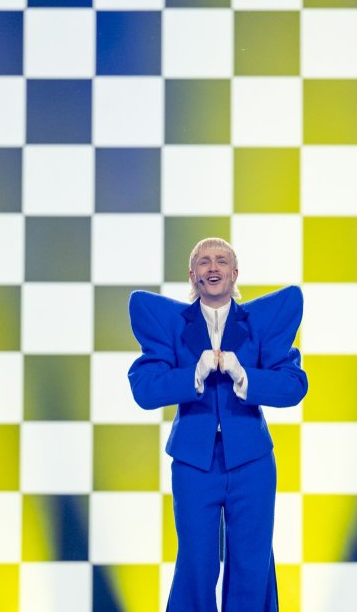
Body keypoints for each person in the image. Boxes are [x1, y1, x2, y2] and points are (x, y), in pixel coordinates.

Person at [127, 237, 308, 611]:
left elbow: (294, 385)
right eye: (204, 262)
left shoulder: (257, 325)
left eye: (221, 261)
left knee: (251, 563)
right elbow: (144, 389)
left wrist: (245, 375)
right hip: (195, 463)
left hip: (252, 462)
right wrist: (193, 373)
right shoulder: (175, 327)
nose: (213, 267)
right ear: (192, 275)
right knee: (196, 561)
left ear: (234, 273)